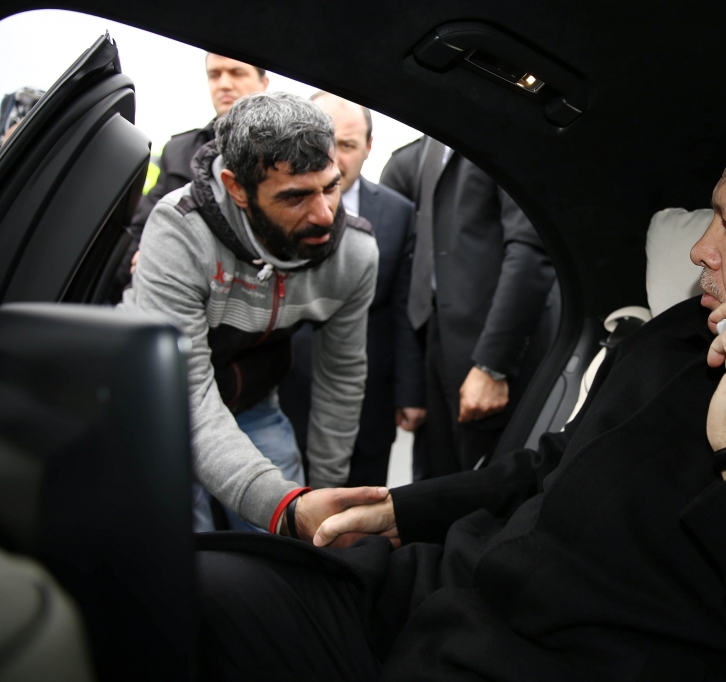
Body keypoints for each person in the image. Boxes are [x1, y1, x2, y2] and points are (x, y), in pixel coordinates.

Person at [195, 118, 726, 680]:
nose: (699, 250)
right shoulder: (683, 329)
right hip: (436, 590)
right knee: (180, 584)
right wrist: (403, 509)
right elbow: (551, 461)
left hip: (551, 660)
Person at [121, 92, 388, 533]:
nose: (324, 215)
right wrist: (283, 506)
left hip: (254, 402)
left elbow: (341, 378)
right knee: (185, 551)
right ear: (236, 188)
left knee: (290, 551)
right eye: (295, 197)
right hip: (159, 403)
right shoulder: (180, 231)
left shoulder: (355, 254)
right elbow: (189, 394)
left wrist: (321, 504)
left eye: (331, 186)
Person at [379, 137, 558, 478]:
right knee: (435, 478)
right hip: (436, 334)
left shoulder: (500, 136)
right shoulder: (426, 146)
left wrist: (493, 366)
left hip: (488, 346)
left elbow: (530, 252)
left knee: (483, 484)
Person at [277, 92, 425, 486]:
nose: (334, 158)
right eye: (324, 143)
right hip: (280, 387)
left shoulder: (399, 213)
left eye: (347, 145)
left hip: (367, 399)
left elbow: (403, 307)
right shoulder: (271, 206)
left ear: (369, 148)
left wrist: (409, 391)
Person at [111, 54, 269, 295]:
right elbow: (141, 228)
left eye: (237, 73)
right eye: (214, 75)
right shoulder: (178, 150)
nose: (224, 84)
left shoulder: (283, 154)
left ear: (264, 83)